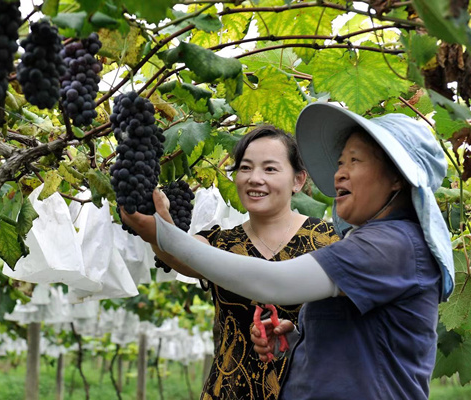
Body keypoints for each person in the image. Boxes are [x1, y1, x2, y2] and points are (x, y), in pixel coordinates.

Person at [121, 103, 454, 400]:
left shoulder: (391, 245)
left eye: (356, 161)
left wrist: (165, 234)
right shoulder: (372, 241)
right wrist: (293, 342)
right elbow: (352, 349)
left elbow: (273, 284)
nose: (339, 172)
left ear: (397, 178)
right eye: (340, 161)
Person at [151, 125, 338, 399]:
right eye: (246, 168)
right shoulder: (220, 243)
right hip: (227, 390)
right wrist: (159, 221)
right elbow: (179, 254)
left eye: (270, 169)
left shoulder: (330, 241)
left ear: (298, 180)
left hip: (309, 391)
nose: (255, 179)